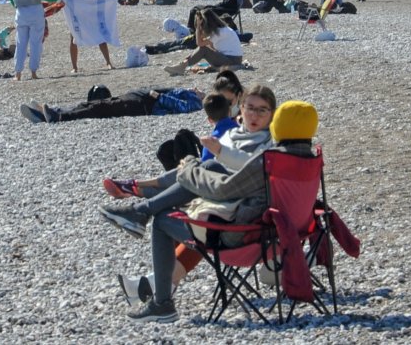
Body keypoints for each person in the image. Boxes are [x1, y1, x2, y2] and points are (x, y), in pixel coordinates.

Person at [110, 99, 319, 323]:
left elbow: (222, 191)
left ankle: (162, 303)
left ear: (277, 123)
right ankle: (141, 209)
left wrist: (189, 167)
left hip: (243, 238)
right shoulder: (311, 160)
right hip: (285, 236)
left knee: (163, 219)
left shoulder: (270, 161)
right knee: (209, 167)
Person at [19, 85, 204, 124]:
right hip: (138, 98)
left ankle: (59, 117)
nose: (200, 89)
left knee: (100, 108)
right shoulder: (190, 93)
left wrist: (158, 97)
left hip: (143, 105)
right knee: (98, 104)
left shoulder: (196, 102)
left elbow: (183, 108)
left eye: (203, 92)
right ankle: (52, 111)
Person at [10, 0, 58, 80]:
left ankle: (18, 73)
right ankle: (33, 72)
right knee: (36, 43)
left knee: (21, 43)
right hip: (35, 11)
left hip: (21, 12)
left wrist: (19, 5)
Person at [165, 8, 244, 75]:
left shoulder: (219, 32)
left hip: (233, 61)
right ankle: (182, 65)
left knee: (203, 49)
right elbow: (203, 41)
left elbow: (199, 43)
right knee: (203, 47)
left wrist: (198, 27)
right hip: (232, 59)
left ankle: (182, 66)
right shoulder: (221, 30)